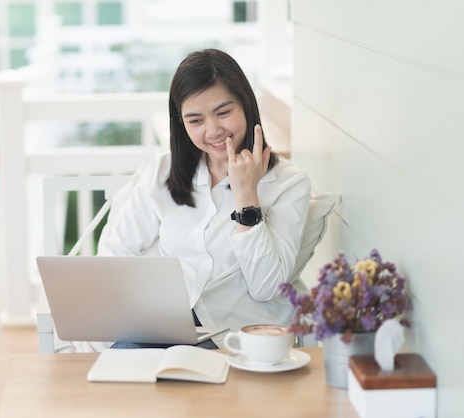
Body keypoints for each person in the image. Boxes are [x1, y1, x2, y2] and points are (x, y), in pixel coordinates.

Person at [97, 48, 311, 349]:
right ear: (181, 123)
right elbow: (115, 255)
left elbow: (266, 288)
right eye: (195, 120)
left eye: (223, 113)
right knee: (121, 368)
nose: (213, 131)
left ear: (247, 106)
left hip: (238, 335)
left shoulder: (289, 184)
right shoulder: (161, 173)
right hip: (164, 327)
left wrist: (246, 195)